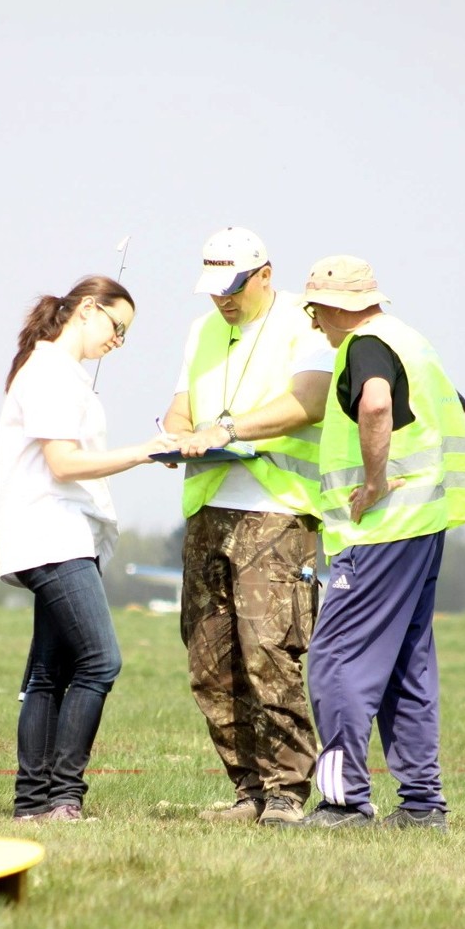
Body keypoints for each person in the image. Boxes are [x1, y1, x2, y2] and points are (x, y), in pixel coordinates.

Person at [293, 255, 465, 831]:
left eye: (313, 312)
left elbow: (375, 403)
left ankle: (344, 802)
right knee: (407, 663)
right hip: (425, 524)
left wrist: (375, 482)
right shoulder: (411, 341)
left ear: (329, 308)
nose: (314, 324)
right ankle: (423, 807)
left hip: (379, 531)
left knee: (334, 660)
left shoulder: (363, 346)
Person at [163, 227, 334, 825]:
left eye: (233, 288)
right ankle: (248, 792)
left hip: (278, 509)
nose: (221, 300)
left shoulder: (305, 322)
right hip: (208, 508)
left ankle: (288, 792)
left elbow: (308, 402)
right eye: (213, 290)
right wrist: (180, 435)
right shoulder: (202, 329)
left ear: (265, 273)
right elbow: (180, 405)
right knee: (209, 659)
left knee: (268, 650)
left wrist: (229, 430)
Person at [0, 275, 171, 822]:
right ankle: (64, 798)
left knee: (50, 671)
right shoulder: (48, 372)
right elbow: (63, 463)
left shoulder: (62, 373)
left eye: (125, 335)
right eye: (117, 327)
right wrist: (142, 452)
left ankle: (33, 805)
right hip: (51, 536)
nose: (118, 341)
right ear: (88, 310)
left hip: (65, 536)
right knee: (100, 661)